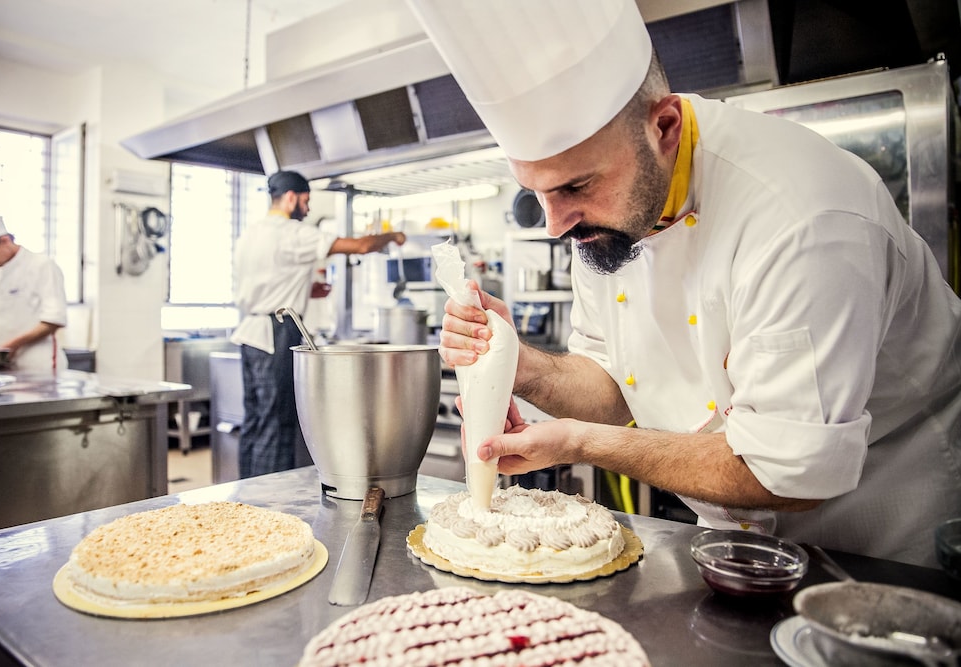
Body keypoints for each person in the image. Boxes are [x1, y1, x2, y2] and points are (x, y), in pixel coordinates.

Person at [409, 0, 961, 567]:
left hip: (888, 549)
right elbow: (614, 383)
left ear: (664, 127)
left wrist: (578, 443)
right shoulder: (611, 215)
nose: (555, 225)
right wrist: (522, 366)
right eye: (538, 193)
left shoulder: (802, 219)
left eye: (574, 187)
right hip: (737, 551)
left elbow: (789, 473)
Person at [230, 170, 406, 478]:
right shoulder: (293, 233)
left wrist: (308, 290)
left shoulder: (251, 233)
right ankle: (272, 504)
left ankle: (246, 500)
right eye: (306, 201)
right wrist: (393, 236)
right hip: (275, 332)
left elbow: (266, 282)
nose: (308, 209)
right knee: (278, 423)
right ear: (290, 198)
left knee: (255, 421)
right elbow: (361, 246)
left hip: (249, 333)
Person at [0, 215, 68, 373]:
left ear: (5, 240)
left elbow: (54, 319)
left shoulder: (41, 266)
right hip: (8, 365)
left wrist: (10, 347)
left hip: (39, 366)